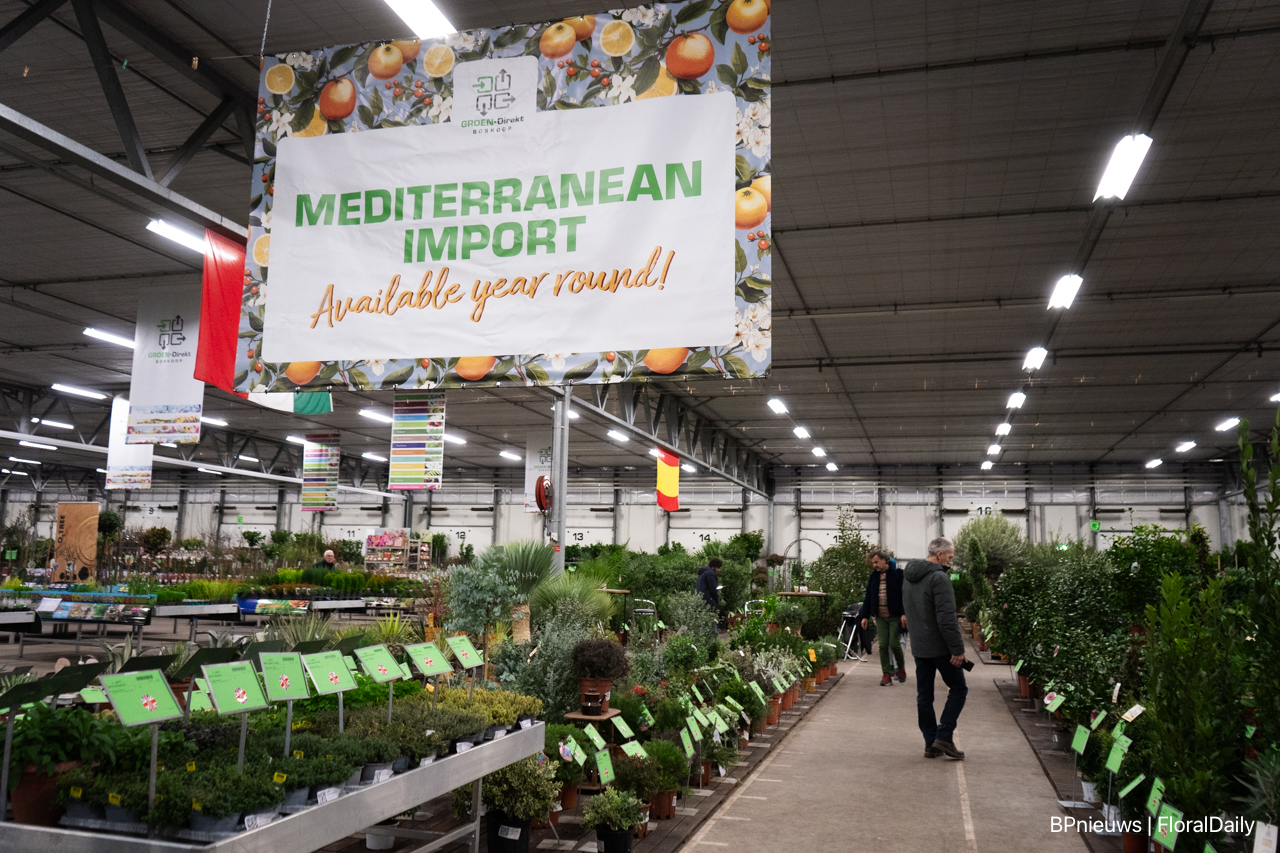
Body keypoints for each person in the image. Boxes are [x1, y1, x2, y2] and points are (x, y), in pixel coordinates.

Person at [902, 536, 968, 760]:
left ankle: (930, 743)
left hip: (919, 646)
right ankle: (944, 735)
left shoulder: (908, 577)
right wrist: (957, 649)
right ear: (939, 555)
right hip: (940, 647)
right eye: (950, 557)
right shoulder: (939, 577)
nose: (951, 561)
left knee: (924, 696)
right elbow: (946, 618)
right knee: (958, 689)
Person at [858, 549, 906, 686]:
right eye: (873, 563)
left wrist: (904, 614)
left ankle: (900, 667)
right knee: (883, 645)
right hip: (880, 617)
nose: (874, 565)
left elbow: (905, 596)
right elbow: (868, 597)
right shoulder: (874, 577)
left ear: (884, 560)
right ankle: (886, 674)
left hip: (895, 616)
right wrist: (865, 616)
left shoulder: (898, 575)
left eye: (876, 562)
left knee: (894, 643)